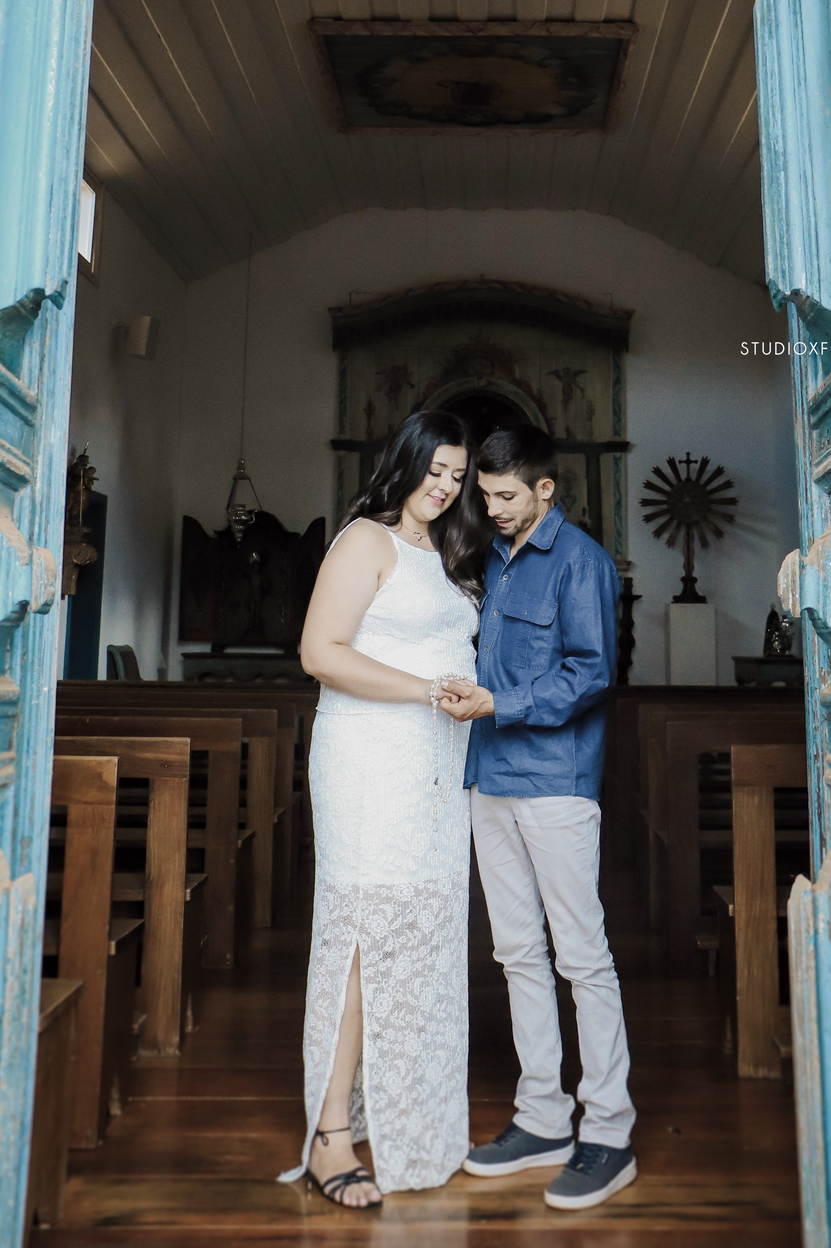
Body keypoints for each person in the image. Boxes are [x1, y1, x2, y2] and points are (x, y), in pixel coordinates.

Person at [278, 411, 485, 1208]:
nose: (445, 486)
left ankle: (399, 1113)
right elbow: (319, 653)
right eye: (435, 470)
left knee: (421, 938)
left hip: (436, 771)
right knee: (364, 940)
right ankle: (330, 1133)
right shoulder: (365, 540)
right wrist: (427, 690)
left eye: (457, 476)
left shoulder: (447, 554)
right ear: (404, 464)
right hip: (370, 763)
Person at [438, 425, 637, 1213]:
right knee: (517, 953)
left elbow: (591, 674)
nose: (492, 509)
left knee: (582, 957)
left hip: (557, 782)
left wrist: (499, 702)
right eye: (485, 496)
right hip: (489, 776)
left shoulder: (582, 561)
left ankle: (610, 1132)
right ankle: (543, 1118)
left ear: (545, 489)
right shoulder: (493, 558)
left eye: (506, 495)